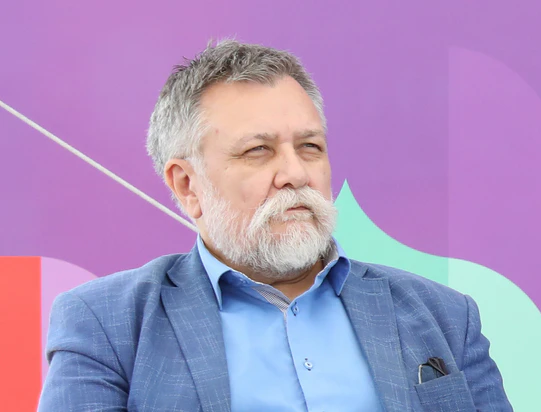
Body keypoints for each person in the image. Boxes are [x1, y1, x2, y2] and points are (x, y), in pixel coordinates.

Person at [38, 40, 512, 412]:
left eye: (310, 147)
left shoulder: (445, 316)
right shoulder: (107, 324)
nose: (296, 174)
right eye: (258, 151)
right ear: (187, 185)